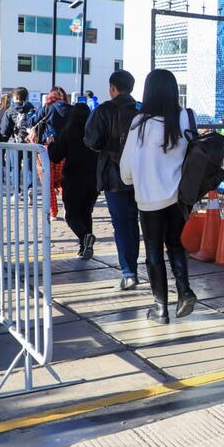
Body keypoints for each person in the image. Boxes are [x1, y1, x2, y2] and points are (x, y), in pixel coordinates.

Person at [119, 69, 198, 324]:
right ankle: (184, 291)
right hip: (178, 197)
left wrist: (131, 180)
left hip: (149, 199)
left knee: (153, 249)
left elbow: (126, 169)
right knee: (175, 244)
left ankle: (160, 309)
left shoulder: (140, 122)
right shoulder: (184, 117)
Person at [85, 70, 141, 290]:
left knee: (121, 224)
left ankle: (129, 273)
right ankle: (133, 268)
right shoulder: (141, 109)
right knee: (133, 221)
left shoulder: (103, 110)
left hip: (113, 175)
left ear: (112, 88)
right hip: (139, 175)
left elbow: (91, 140)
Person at [47, 103, 100, 259]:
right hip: (93, 179)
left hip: (73, 178)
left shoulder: (68, 132)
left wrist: (51, 144)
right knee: (85, 213)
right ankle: (85, 247)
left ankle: (85, 237)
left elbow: (56, 156)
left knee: (71, 215)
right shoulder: (94, 133)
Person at [30, 87, 72, 220]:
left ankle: (53, 213)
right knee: (63, 181)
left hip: (47, 149)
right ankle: (68, 209)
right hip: (65, 149)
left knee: (47, 181)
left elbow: (32, 121)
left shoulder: (48, 107)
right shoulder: (72, 109)